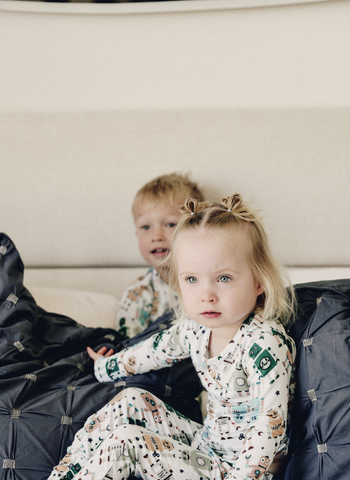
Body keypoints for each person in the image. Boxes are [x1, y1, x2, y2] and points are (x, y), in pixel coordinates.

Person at [48, 193, 296, 480]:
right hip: (207, 449)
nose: (206, 296)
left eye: (224, 278)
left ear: (259, 282)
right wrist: (105, 366)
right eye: (192, 279)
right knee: (131, 399)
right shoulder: (196, 329)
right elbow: (152, 352)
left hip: (240, 472)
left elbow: (270, 426)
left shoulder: (264, 343)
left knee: (128, 440)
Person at [117, 172, 204, 338]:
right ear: (137, 233)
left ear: (197, 228)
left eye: (170, 224)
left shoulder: (211, 281)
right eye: (145, 227)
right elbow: (125, 348)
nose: (156, 236)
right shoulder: (137, 294)